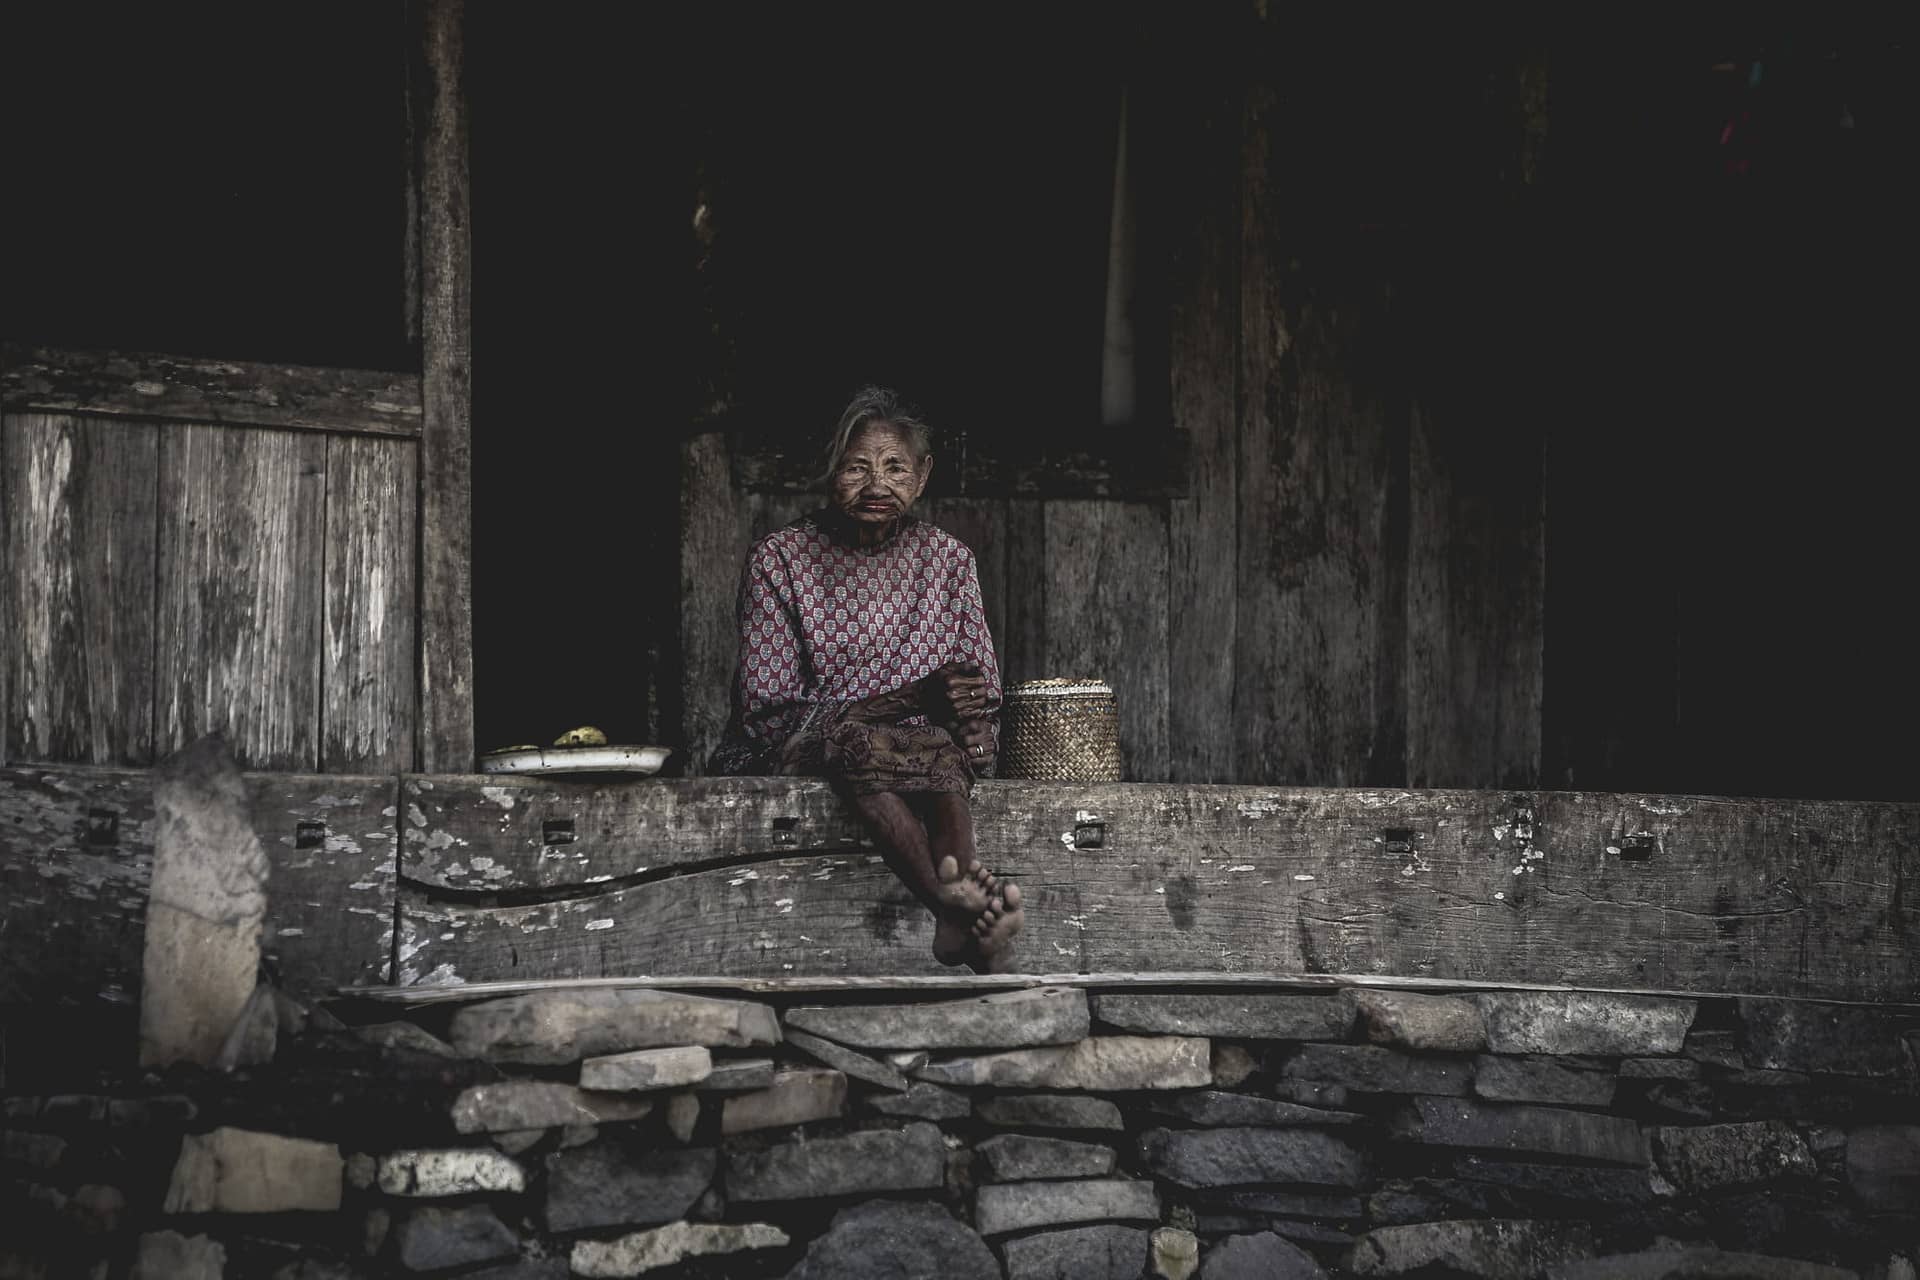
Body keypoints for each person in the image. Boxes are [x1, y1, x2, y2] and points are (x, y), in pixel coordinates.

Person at [710, 387, 1024, 971]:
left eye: (894, 467)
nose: (876, 485)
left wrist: (969, 712)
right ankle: (950, 910)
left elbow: (981, 690)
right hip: (811, 749)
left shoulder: (948, 561)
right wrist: (909, 698)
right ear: (830, 470)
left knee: (939, 746)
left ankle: (957, 907)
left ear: (922, 475)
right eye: (857, 467)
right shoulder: (781, 560)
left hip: (919, 754)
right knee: (864, 743)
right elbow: (767, 712)